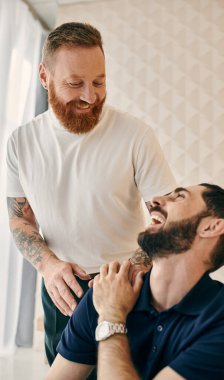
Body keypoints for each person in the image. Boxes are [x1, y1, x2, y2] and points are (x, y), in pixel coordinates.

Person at [6, 22, 176, 366]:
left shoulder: (136, 135)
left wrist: (131, 275)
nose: (90, 96)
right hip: (61, 287)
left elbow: (167, 217)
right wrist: (49, 267)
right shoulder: (20, 142)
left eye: (99, 82)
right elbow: (19, 219)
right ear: (44, 76)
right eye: (75, 84)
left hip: (129, 286)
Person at [46, 183, 224, 380]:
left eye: (179, 196)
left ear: (211, 227)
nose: (155, 200)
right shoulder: (108, 291)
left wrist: (112, 316)